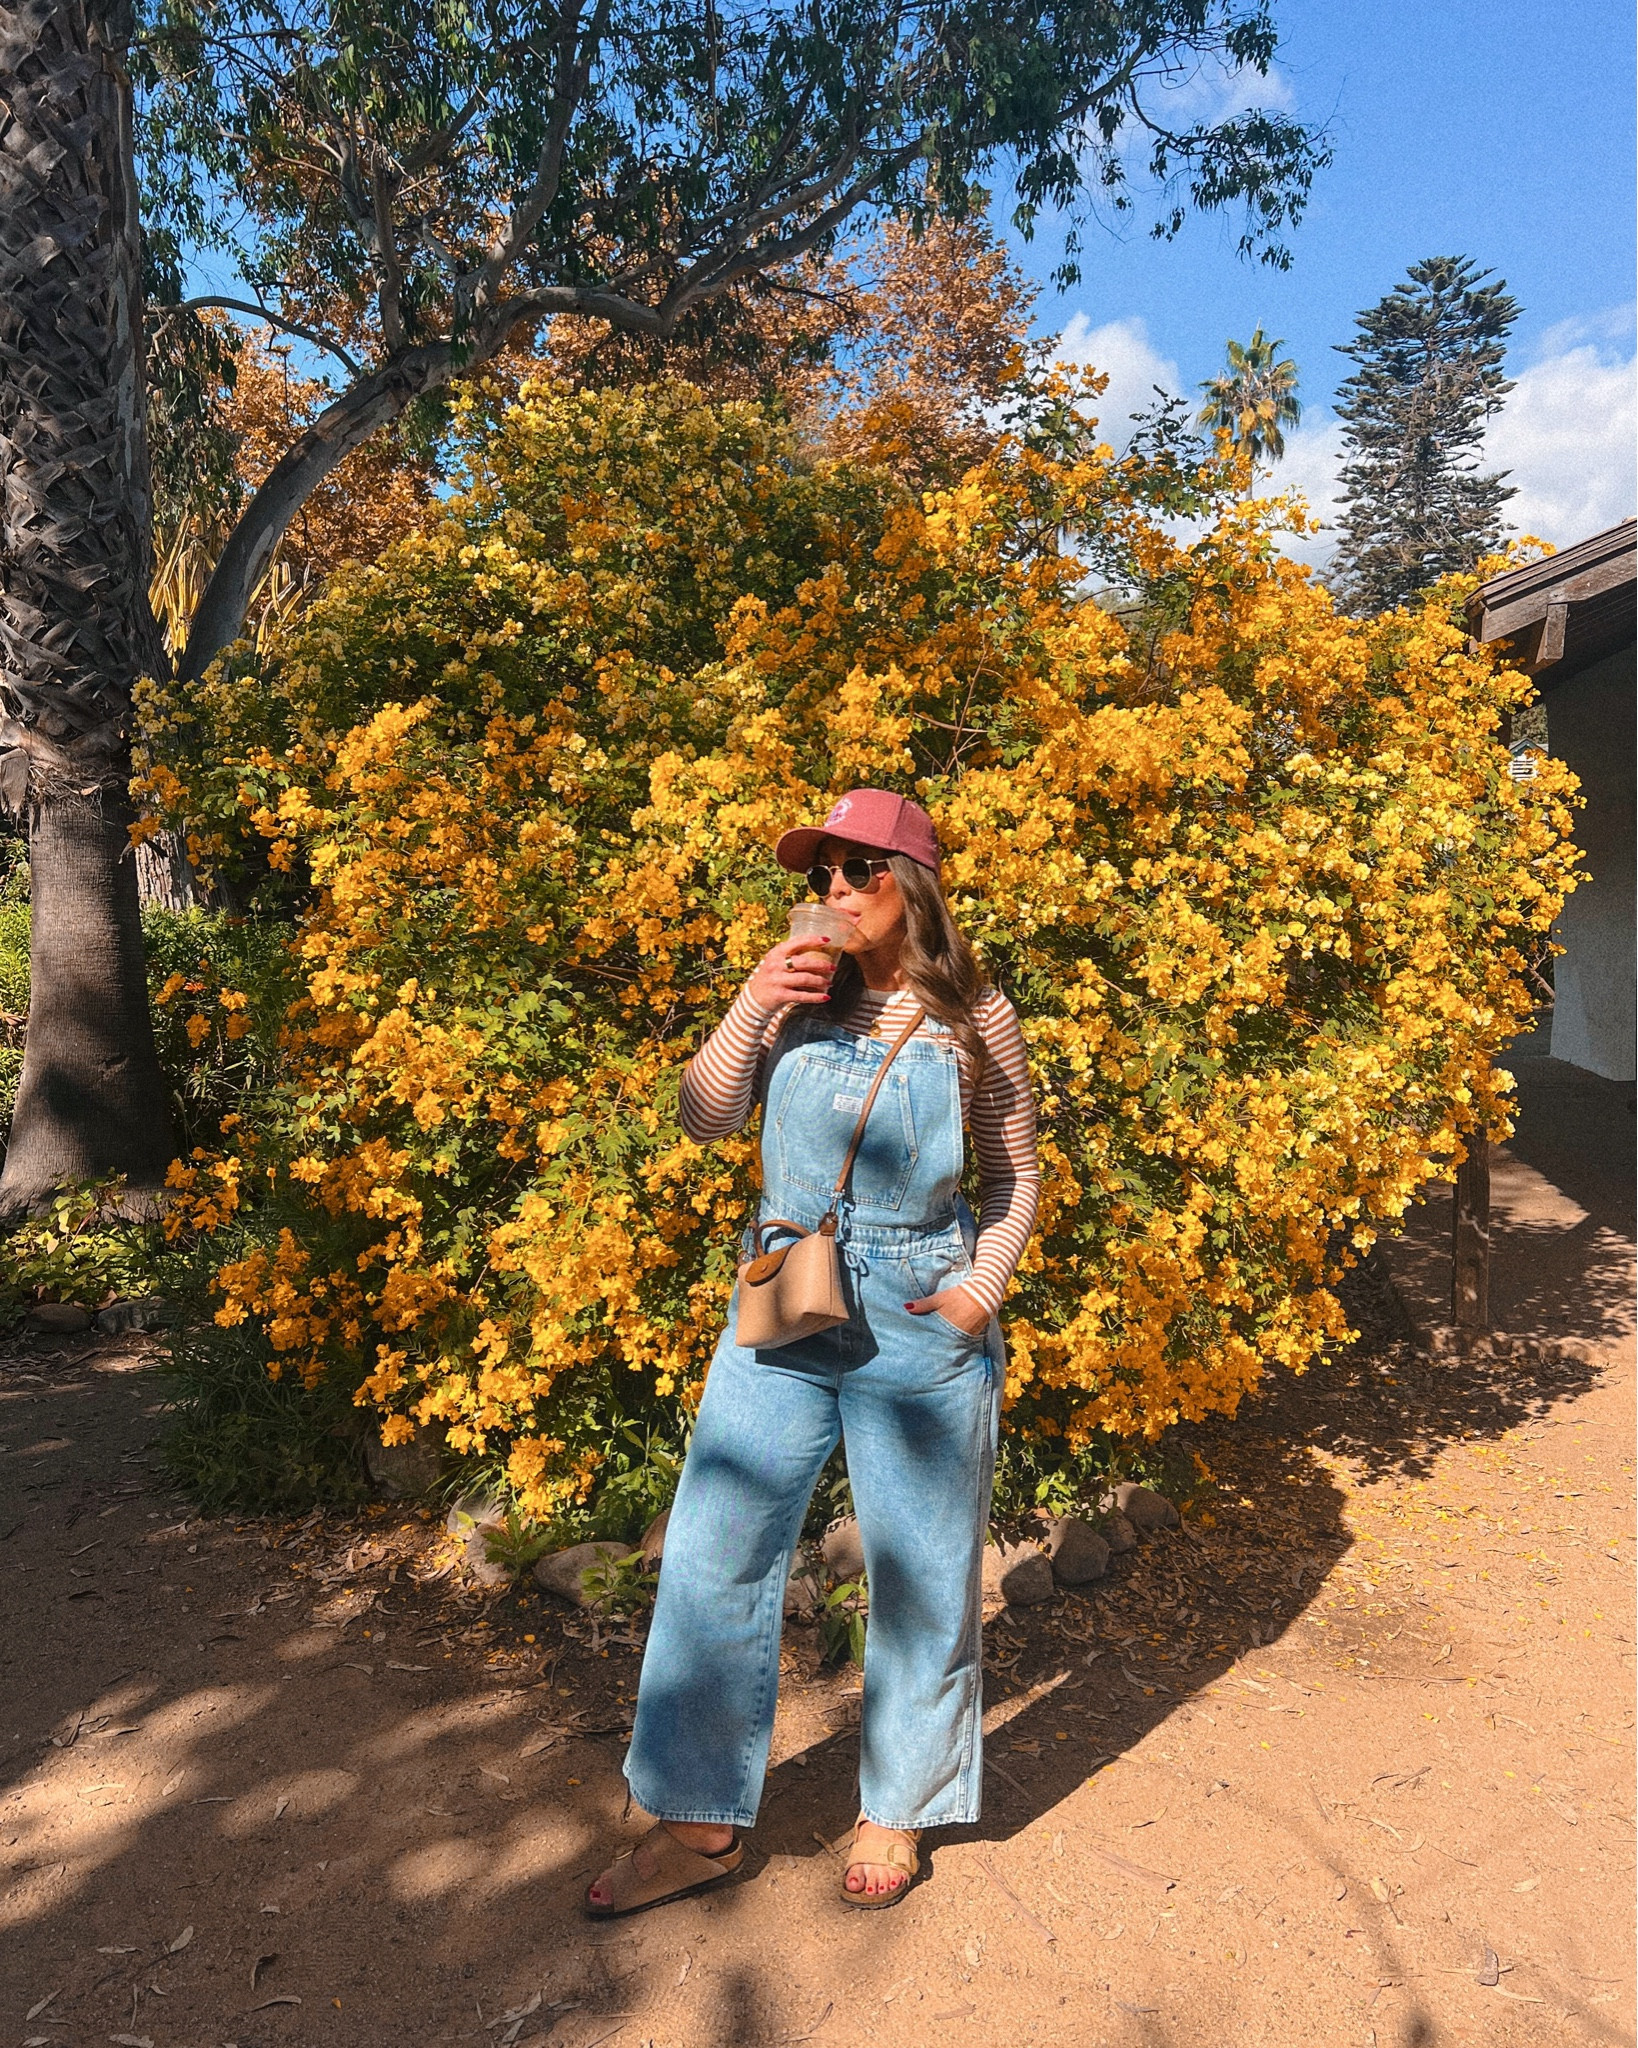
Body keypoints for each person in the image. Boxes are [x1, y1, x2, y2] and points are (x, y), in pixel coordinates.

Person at [584, 788, 1040, 1915]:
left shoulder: (976, 1013)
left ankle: (897, 1803)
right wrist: (749, 1000)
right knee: (713, 1551)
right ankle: (697, 1823)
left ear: (915, 884)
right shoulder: (792, 989)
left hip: (918, 1307)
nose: (833, 891)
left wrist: (979, 1291)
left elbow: (1016, 1174)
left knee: (923, 1573)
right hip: (785, 1292)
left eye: (859, 871)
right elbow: (702, 1115)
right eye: (823, 870)